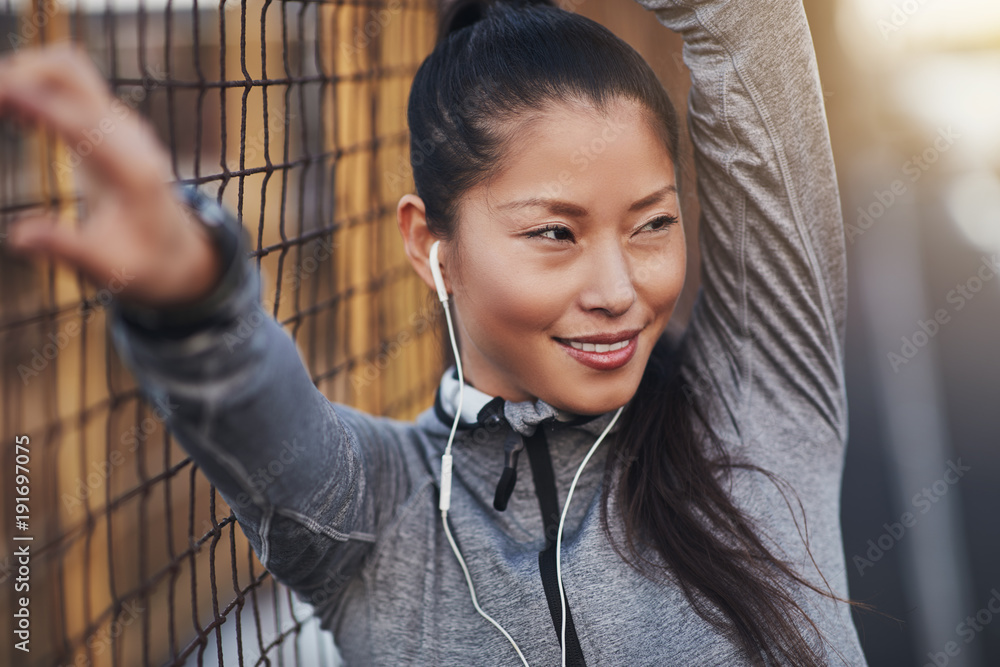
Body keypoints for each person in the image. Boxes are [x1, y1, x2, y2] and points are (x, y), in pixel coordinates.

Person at [1, 0, 874, 664]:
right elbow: (247, 400)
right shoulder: (379, 517)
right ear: (432, 246)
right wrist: (190, 293)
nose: (619, 291)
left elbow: (747, 23)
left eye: (652, 224)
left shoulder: (758, 407)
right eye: (554, 233)